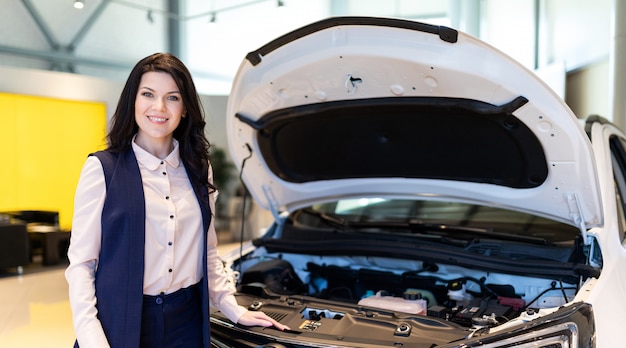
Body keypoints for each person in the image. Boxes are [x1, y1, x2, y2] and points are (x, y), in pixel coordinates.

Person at [65, 52, 288, 348]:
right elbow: (81, 264)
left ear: (184, 109)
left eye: (172, 97)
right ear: (133, 101)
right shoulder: (103, 169)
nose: (159, 107)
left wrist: (231, 307)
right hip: (121, 319)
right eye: (148, 94)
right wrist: (93, 340)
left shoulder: (198, 166)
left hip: (187, 321)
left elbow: (207, 251)